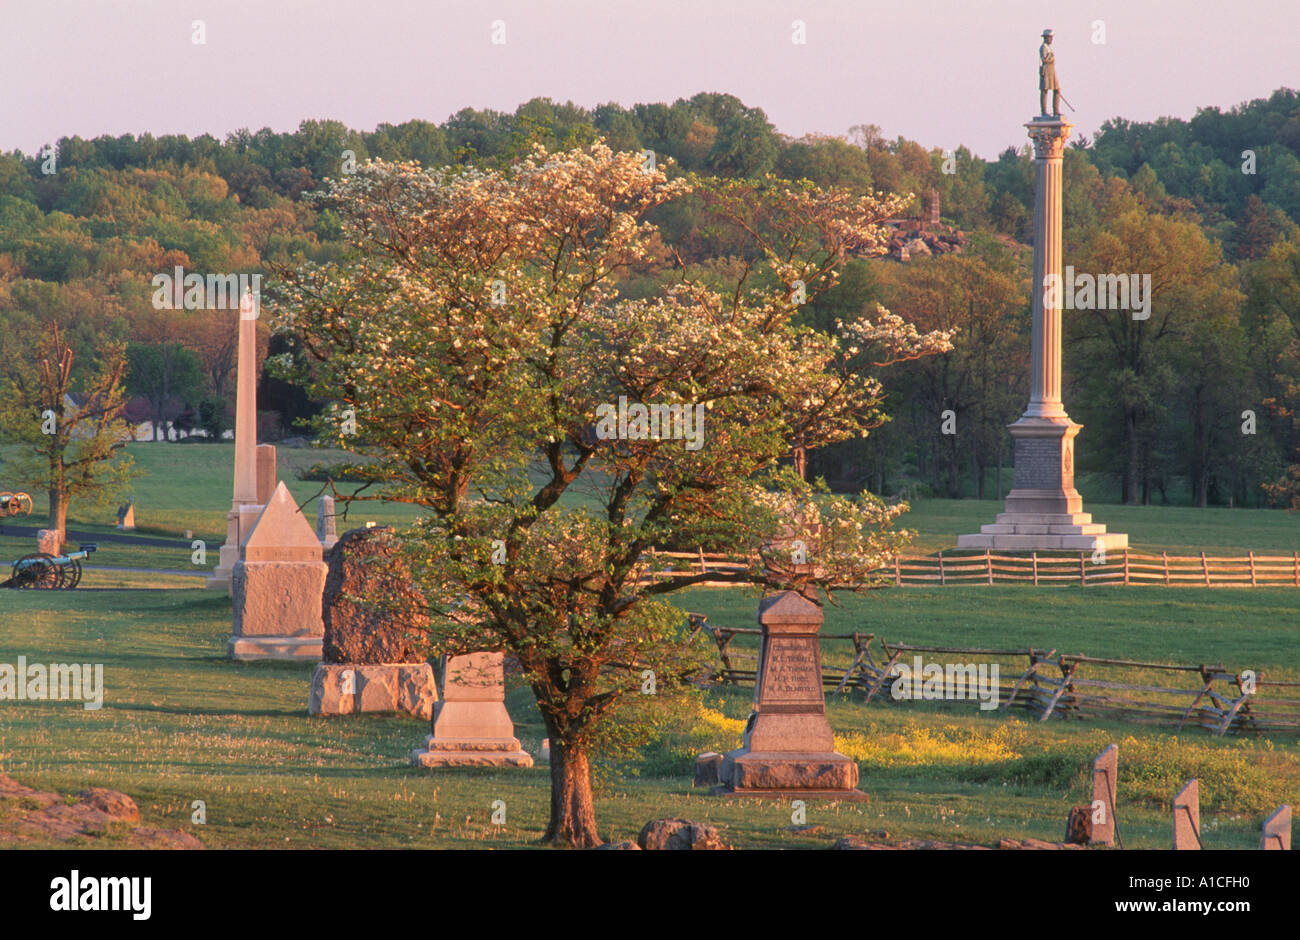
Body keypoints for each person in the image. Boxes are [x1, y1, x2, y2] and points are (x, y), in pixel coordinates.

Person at [1039, 29, 1060, 117]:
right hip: (1046, 71)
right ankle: (1044, 112)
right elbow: (1044, 59)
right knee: (1045, 91)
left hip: (1052, 71)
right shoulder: (1043, 47)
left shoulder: (1048, 47)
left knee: (1057, 89)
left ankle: (1056, 111)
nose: (1051, 40)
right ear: (1046, 38)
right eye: (1050, 38)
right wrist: (1051, 57)